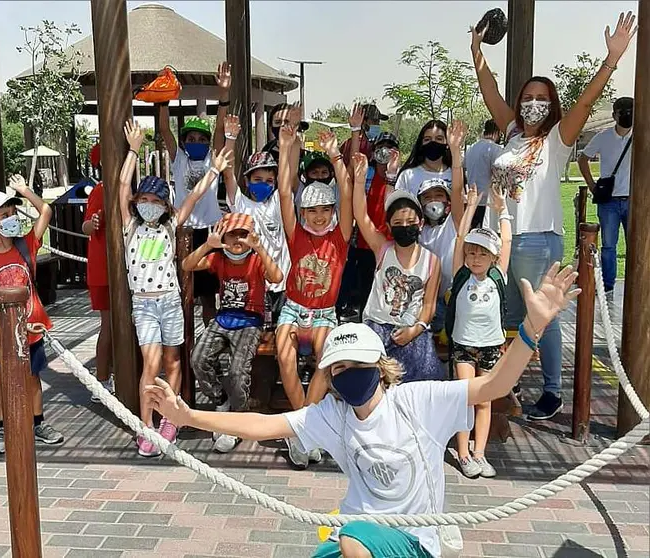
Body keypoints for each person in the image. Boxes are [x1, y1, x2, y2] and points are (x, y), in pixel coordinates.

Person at [146, 263, 579, 558]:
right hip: (356, 536)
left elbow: (495, 384)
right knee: (346, 542)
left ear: (380, 366)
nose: (347, 374)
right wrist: (189, 417)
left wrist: (531, 328)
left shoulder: (418, 402)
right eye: (338, 369)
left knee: (354, 540)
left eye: (357, 366)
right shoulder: (332, 415)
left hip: (412, 540)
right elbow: (262, 424)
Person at [471, 11, 636, 420]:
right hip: (501, 238)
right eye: (526, 97)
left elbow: (585, 100)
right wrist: (476, 51)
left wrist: (611, 59)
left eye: (540, 98)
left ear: (551, 103)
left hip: (537, 237)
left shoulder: (558, 138)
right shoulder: (511, 133)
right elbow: (490, 90)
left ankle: (551, 390)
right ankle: (507, 386)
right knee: (505, 314)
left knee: (539, 313)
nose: (532, 104)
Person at [119, 119, 232, 458]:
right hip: (143, 304)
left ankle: (171, 420)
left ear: (165, 205)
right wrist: (133, 150)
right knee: (150, 365)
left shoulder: (169, 225)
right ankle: (147, 425)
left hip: (169, 302)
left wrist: (213, 171)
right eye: (145, 198)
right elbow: (123, 184)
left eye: (156, 199)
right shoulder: (130, 226)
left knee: (173, 362)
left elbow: (195, 195)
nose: (149, 203)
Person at [276, 123, 354, 469]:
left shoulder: (340, 236)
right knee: (284, 356)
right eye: (312, 211)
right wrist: (285, 147)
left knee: (325, 360)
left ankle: (304, 430)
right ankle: (302, 428)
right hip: (293, 308)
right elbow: (282, 193)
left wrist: (337, 156)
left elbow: (349, 194)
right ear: (303, 213)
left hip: (324, 312)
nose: (319, 216)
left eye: (325, 210)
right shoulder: (296, 235)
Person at [0, 176, 63, 455]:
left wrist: (24, 191)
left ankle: (38, 423)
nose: (12, 218)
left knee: (33, 377)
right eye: (4, 215)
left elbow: (45, 211)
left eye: (13, 212)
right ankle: (2, 427)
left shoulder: (26, 245)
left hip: (31, 330)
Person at [182, 213, 283, 453]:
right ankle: (221, 400)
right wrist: (208, 244)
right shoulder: (217, 258)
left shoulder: (257, 259)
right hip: (223, 317)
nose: (238, 239)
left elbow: (277, 277)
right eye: (233, 234)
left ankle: (236, 423)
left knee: (238, 372)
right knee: (198, 357)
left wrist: (259, 248)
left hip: (250, 321)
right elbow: (187, 265)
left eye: (243, 234)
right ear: (224, 236)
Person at [352, 154, 443, 383]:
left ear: (421, 223)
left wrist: (417, 328)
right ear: (390, 226)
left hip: (412, 329)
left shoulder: (432, 261)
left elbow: (429, 304)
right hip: (377, 326)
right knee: (371, 378)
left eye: (411, 223)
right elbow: (361, 217)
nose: (405, 228)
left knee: (425, 374)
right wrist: (360, 180)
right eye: (398, 224)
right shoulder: (382, 249)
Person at [156, 62, 231, 324]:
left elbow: (221, 130)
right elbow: (165, 130)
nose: (196, 143)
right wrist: (163, 96)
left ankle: (209, 339)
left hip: (210, 231)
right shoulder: (179, 159)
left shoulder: (213, 158)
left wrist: (223, 96)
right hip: (184, 230)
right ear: (185, 142)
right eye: (191, 139)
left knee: (210, 295)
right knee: (185, 292)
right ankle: (187, 350)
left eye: (202, 139)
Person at [447, 184, 512, 479]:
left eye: (482, 254)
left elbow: (507, 239)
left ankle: (479, 452)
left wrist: (502, 209)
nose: (475, 259)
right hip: (463, 345)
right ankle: (463, 454)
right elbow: (460, 237)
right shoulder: (461, 274)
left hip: (491, 345)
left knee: (485, 400)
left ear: (494, 258)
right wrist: (470, 206)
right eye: (471, 253)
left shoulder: (499, 275)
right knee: (465, 399)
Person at [223, 115, 290, 326]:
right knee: (256, 338)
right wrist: (230, 139)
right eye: (257, 180)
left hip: (283, 284)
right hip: (254, 286)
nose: (264, 184)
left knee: (281, 338)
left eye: (269, 181)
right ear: (247, 181)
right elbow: (227, 173)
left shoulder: (279, 202)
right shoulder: (240, 204)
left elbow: (288, 178)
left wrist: (287, 144)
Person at [338, 130, 400, 322]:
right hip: (365, 244)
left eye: (390, 150)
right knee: (364, 288)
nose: (385, 154)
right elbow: (350, 173)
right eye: (381, 150)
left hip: (391, 247)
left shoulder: (401, 178)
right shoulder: (367, 175)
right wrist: (355, 131)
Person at [577, 96, 634, 297]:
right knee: (609, 246)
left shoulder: (642, 135)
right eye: (623, 112)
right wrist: (592, 185)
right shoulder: (603, 136)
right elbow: (582, 158)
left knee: (635, 245)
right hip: (609, 201)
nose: (627, 116)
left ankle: (635, 284)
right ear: (614, 115)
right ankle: (608, 286)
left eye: (631, 112)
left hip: (633, 200)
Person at [415, 120, 468, 332]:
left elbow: (456, 190)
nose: (434, 200)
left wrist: (455, 153)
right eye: (428, 197)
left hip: (451, 298)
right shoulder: (417, 230)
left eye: (439, 195)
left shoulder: (454, 223)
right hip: (424, 299)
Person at [82, 163, 113, 403]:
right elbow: (85, 226)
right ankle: (102, 380)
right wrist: (92, 224)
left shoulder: (125, 188)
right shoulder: (101, 190)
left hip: (121, 270)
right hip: (103, 270)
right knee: (109, 326)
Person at [394, 120, 455, 196]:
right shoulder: (407, 176)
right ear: (421, 143)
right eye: (427, 139)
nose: (433, 143)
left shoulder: (455, 174)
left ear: (447, 143)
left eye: (439, 138)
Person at [464, 119, 503, 229]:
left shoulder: (471, 149)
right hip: (488, 203)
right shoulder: (495, 149)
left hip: (472, 200)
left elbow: (463, 168)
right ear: (497, 132)